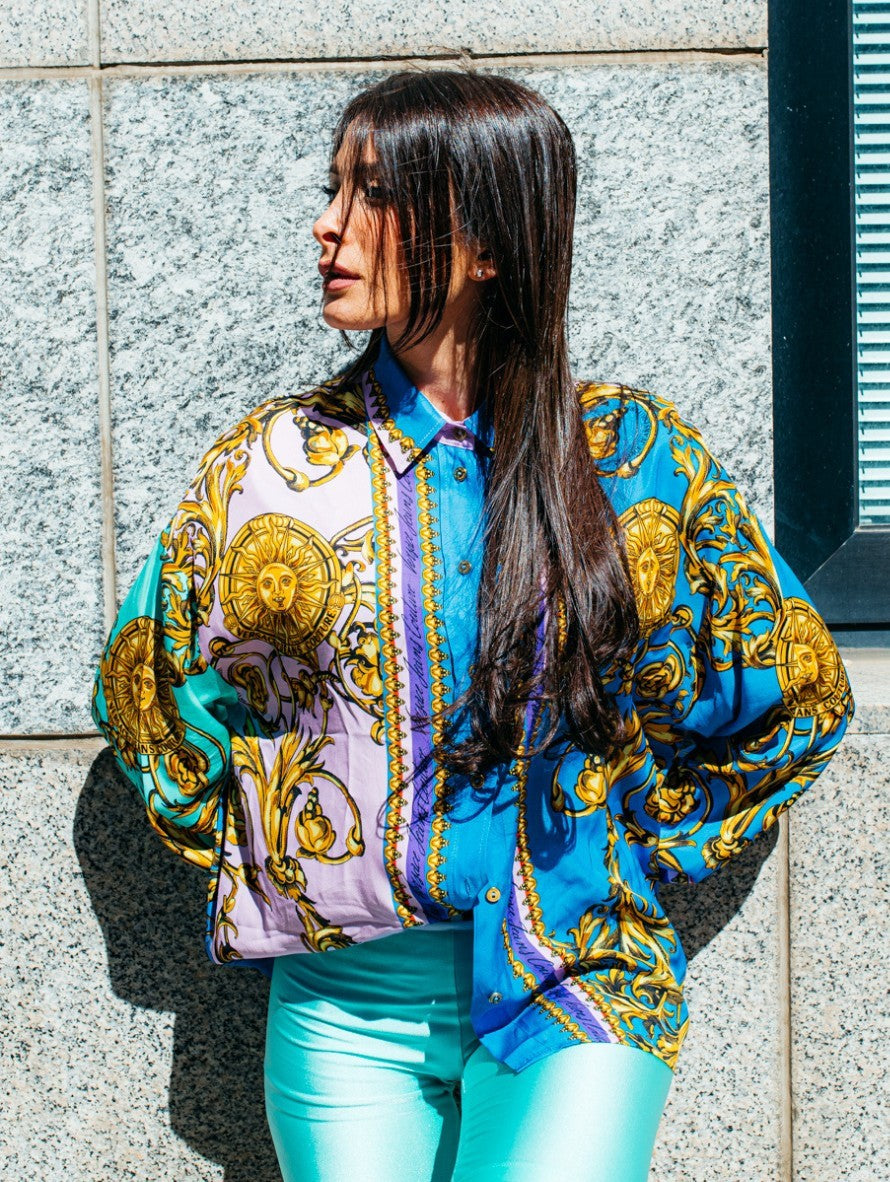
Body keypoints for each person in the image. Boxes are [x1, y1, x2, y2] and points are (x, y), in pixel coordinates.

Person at [91, 67, 855, 1182]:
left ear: (487, 243)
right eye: (333, 188)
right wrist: (279, 853)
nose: (327, 225)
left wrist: (635, 838)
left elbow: (794, 695)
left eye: (371, 194)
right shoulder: (270, 468)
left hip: (577, 976)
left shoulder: (635, 461)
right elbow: (146, 693)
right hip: (344, 1007)